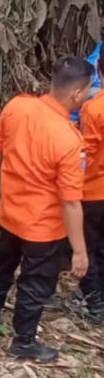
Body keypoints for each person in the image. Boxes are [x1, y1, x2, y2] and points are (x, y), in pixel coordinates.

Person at [0, 55, 91, 361]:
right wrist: (79, 250)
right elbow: (69, 201)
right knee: (35, 282)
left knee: (2, 265)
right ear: (77, 94)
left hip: (10, 213)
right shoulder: (69, 140)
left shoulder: (17, 107)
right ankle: (24, 341)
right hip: (42, 227)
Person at [78, 56, 104, 325]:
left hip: (94, 191)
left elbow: (86, 153)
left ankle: (94, 304)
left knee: (87, 247)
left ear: (98, 68)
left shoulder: (94, 109)